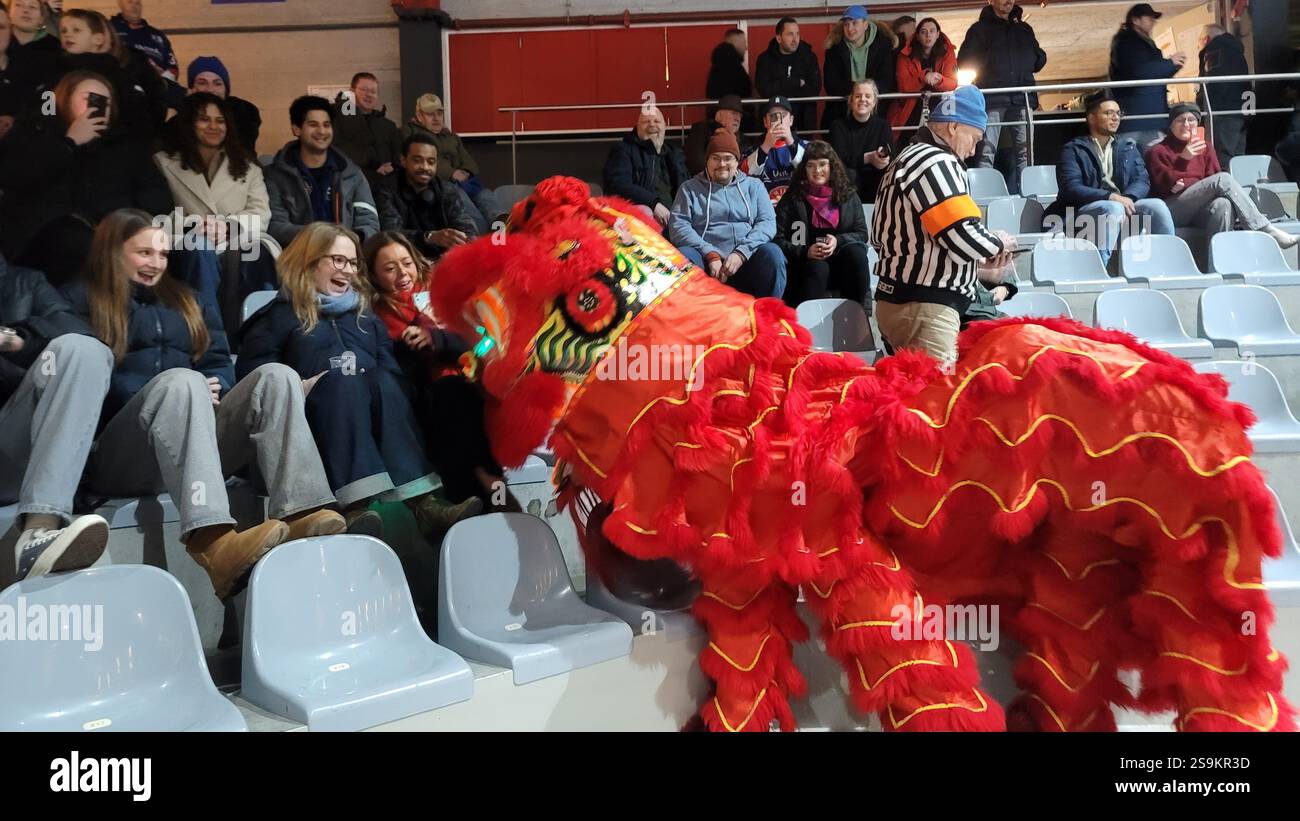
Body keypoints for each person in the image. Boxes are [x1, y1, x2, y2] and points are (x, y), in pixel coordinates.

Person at [63, 209, 354, 599]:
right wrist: (173, 388)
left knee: (277, 375)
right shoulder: (80, 297)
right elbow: (83, 383)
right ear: (112, 251)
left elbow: (218, 360)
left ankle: (302, 513)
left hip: (193, 440)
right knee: (181, 383)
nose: (156, 263)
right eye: (144, 253)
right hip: (122, 453)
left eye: (163, 254)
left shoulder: (188, 300)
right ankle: (213, 541)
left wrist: (218, 383)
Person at [236, 222, 483, 542]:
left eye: (353, 263)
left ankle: (424, 504)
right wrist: (301, 388)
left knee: (381, 380)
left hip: (367, 426)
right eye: (338, 260)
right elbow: (254, 385)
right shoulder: (278, 316)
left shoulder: (366, 319)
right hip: (303, 434)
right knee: (343, 382)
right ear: (308, 260)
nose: (348, 270)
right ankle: (355, 505)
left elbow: (396, 380)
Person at [362, 231, 512, 508]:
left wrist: (438, 339)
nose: (402, 274)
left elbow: (484, 340)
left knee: (462, 398)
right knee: (451, 401)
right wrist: (411, 350)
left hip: (478, 380)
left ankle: (485, 491)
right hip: (428, 398)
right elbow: (392, 374)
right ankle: (487, 487)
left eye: (406, 263)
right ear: (372, 275)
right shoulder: (375, 316)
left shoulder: (442, 291)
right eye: (389, 268)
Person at [872, 85, 1012, 369]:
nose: (974, 150)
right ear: (953, 126)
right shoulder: (936, 161)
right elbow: (960, 234)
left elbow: (878, 238)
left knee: (913, 394)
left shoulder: (907, 158)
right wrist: (998, 244)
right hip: (925, 308)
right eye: (974, 138)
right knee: (933, 401)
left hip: (905, 302)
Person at [1, 252, 114, 582]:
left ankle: (40, 532)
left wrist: (12, 340)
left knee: (83, 349)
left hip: (11, 445)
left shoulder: (26, 282)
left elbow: (76, 330)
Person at [0, 71, 171, 287]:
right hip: (40, 241)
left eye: (104, 103)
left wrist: (132, 230)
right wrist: (70, 142)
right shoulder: (33, 134)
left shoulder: (128, 147)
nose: (97, 108)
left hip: (113, 239)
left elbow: (157, 198)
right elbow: (13, 176)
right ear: (65, 100)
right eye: (88, 99)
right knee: (74, 239)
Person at [154, 92, 279, 333]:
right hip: (185, 244)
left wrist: (229, 226)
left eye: (220, 120)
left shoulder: (249, 168)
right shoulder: (162, 162)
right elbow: (156, 214)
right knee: (199, 250)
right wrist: (194, 226)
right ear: (189, 123)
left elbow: (261, 212)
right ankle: (207, 335)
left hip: (237, 241)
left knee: (252, 253)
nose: (213, 126)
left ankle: (255, 335)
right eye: (204, 119)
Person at [1044, 89, 1175, 267]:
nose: (1115, 118)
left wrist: (1128, 198)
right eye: (1108, 113)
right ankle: (1099, 269)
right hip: (1081, 210)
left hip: (1122, 203)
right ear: (1091, 118)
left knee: (1157, 206)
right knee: (1113, 208)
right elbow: (1071, 187)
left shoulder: (1127, 146)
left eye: (1118, 113)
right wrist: (1111, 197)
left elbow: (1142, 180)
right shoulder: (1073, 149)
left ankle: (1168, 264)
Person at [1147, 103, 1298, 249]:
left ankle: (1218, 263)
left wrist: (1188, 183)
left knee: (1222, 205)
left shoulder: (1205, 148)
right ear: (1171, 124)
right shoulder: (1158, 150)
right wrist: (1184, 159)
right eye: (1180, 120)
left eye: (1191, 120)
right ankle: (1264, 228)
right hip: (1172, 209)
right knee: (1223, 178)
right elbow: (1163, 185)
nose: (1186, 124)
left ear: (1198, 123)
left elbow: (1211, 181)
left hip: (1200, 208)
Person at [669, 131, 786, 299]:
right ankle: (690, 319)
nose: (722, 164)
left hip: (745, 261)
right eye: (715, 158)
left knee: (772, 253)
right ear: (707, 161)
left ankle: (769, 317)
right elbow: (678, 226)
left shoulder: (755, 186)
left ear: (737, 161)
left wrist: (741, 253)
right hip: (707, 264)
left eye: (728, 158)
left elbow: (767, 223)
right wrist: (710, 254)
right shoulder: (689, 189)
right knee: (685, 255)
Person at [263, 94, 380, 248]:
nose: (321, 131)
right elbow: (275, 226)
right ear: (296, 129)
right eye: (313, 124)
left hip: (347, 258)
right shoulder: (275, 175)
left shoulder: (351, 174)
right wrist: (322, 236)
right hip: (298, 261)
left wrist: (348, 240)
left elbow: (369, 223)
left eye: (326, 125)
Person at [957, 0, 1047, 187]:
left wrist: (1037, 57)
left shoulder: (1024, 29)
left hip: (1021, 96)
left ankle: (1029, 197)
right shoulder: (979, 30)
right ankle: (983, 198)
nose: (1008, 1)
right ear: (991, 1)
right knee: (986, 152)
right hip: (993, 97)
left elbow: (1038, 59)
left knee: (1026, 153)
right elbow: (964, 61)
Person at [773, 140, 871, 307]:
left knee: (857, 254)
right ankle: (807, 326)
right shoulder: (792, 198)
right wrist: (805, 252)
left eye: (822, 164)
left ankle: (858, 315)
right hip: (807, 267)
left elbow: (862, 234)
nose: (817, 171)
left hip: (842, 265)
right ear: (804, 169)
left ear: (832, 166)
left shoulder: (848, 195)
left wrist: (838, 241)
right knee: (819, 268)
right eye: (811, 165)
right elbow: (777, 238)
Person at [399, 93, 503, 234]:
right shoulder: (411, 133)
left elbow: (468, 161)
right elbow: (427, 160)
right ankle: (482, 240)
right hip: (438, 183)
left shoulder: (451, 136)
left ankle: (503, 231)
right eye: (430, 114)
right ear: (419, 115)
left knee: (486, 196)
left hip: (465, 182)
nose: (436, 118)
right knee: (463, 201)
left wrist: (466, 171)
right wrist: (452, 173)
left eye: (439, 113)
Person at [54, 8, 167, 138]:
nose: (68, 35)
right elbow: (47, 99)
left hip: (109, 146)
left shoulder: (115, 73)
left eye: (76, 30)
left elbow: (133, 110)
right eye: (63, 31)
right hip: (64, 144)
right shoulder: (54, 70)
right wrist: (47, 123)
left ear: (98, 39)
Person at [376, 133, 478, 261]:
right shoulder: (386, 189)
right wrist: (429, 237)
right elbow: (390, 233)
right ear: (403, 160)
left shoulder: (447, 189)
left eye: (431, 162)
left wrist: (462, 243)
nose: (425, 167)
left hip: (444, 261)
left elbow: (465, 226)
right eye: (417, 160)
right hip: (404, 261)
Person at [1109, 3, 1186, 148]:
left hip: (1146, 116)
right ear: (1136, 20)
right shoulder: (1127, 43)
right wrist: (1169, 63)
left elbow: (1147, 73)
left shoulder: (1136, 42)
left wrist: (1172, 66)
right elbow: (1138, 72)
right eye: (1149, 18)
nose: (1153, 21)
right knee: (1142, 162)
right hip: (1140, 118)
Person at [601, 105, 689, 230]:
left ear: (665, 126)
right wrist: (654, 204)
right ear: (637, 127)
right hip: (644, 219)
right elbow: (617, 185)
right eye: (646, 121)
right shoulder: (623, 150)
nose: (652, 125)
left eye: (656, 121)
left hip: (677, 220)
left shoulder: (674, 154)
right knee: (645, 211)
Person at [822, 5, 897, 132]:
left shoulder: (883, 46)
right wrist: (860, 92)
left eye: (854, 23)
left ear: (865, 25)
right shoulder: (834, 48)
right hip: (841, 112)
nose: (850, 28)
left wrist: (862, 95)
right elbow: (831, 84)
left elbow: (886, 80)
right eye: (846, 24)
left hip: (874, 112)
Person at [332, 72, 403, 191]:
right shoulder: (336, 118)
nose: (369, 94)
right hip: (349, 187)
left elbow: (399, 156)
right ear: (351, 91)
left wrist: (392, 167)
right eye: (364, 89)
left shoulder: (388, 125)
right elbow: (338, 151)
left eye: (373, 91)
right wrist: (374, 168)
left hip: (384, 189)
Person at [890, 17, 957, 140]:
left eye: (932, 31)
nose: (928, 35)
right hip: (912, 106)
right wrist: (923, 77)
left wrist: (939, 80)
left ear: (938, 34)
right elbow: (904, 87)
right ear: (917, 36)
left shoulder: (947, 52)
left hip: (940, 104)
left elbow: (952, 83)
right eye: (923, 32)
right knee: (907, 141)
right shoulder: (905, 55)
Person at [829, 79, 893, 203]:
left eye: (868, 96)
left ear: (874, 102)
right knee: (850, 174)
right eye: (858, 96)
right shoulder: (838, 126)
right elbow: (839, 159)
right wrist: (868, 158)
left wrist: (884, 160)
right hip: (848, 183)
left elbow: (892, 155)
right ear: (851, 100)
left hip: (876, 180)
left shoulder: (883, 126)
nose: (863, 99)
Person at [753, 17, 820, 135]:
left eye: (797, 34)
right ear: (779, 38)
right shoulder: (765, 59)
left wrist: (780, 87)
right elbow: (764, 90)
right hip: (774, 125)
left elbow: (814, 89)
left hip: (804, 123)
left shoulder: (809, 57)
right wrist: (795, 83)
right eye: (790, 34)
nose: (795, 39)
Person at [1197, 24, 1250, 170]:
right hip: (1242, 111)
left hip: (1223, 111)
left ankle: (1227, 191)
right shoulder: (1236, 50)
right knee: (1239, 159)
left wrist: (1202, 108)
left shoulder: (1215, 49)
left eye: (1199, 44)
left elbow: (1213, 83)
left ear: (1206, 39)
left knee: (1221, 158)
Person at [186, 56, 262, 155]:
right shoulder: (182, 116)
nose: (210, 89)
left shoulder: (244, 113)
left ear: (226, 90)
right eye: (202, 83)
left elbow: (243, 153)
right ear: (192, 89)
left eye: (217, 83)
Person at [741, 95, 807, 204]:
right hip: (764, 211)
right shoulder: (752, 150)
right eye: (773, 116)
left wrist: (790, 142)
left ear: (791, 120)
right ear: (765, 122)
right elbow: (743, 176)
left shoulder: (806, 146)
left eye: (783, 115)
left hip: (797, 210)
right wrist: (766, 146)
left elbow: (810, 172)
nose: (778, 121)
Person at [110, 0, 176, 82]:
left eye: (137, 2)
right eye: (129, 2)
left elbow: (173, 68)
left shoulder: (158, 35)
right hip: (123, 84)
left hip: (157, 87)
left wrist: (165, 77)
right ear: (120, 3)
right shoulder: (110, 29)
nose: (134, 6)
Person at [684, 93, 744, 177]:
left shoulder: (743, 139)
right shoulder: (701, 130)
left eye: (739, 115)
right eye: (733, 113)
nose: (737, 118)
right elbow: (694, 160)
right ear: (718, 116)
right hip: (705, 182)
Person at [706, 28, 752, 112]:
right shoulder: (731, 66)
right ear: (735, 41)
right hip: (733, 113)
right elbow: (740, 89)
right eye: (744, 42)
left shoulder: (720, 62)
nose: (746, 47)